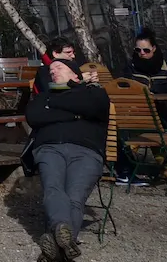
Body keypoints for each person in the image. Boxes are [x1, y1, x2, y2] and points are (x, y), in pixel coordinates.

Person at [25, 59, 110, 262]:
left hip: (87, 150)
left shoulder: (93, 92)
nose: (53, 72)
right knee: (53, 187)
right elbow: (34, 116)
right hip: (49, 147)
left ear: (75, 74)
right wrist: (75, 116)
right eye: (50, 70)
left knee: (75, 194)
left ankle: (56, 245)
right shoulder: (42, 97)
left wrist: (53, 105)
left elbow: (92, 107)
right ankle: (63, 234)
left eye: (59, 68)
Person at [125, 29, 167, 131]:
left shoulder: (163, 66)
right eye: (138, 50)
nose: (142, 53)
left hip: (159, 111)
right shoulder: (130, 66)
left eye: (146, 50)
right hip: (137, 112)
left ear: (153, 48)